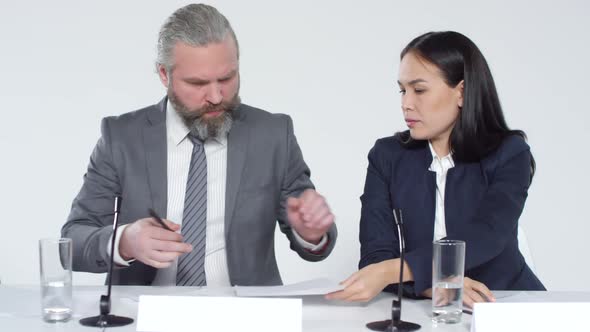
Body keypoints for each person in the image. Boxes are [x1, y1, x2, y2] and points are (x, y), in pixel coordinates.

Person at [62, 3, 337, 287]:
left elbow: (312, 237)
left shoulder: (273, 134)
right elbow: (73, 239)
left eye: (227, 78)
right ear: (164, 75)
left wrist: (310, 232)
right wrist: (124, 241)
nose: (217, 96)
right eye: (198, 83)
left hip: (245, 316)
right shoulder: (121, 137)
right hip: (145, 315)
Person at [326, 31, 544, 307]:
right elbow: (376, 256)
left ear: (462, 92)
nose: (406, 103)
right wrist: (436, 285)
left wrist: (394, 271)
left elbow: (487, 235)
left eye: (419, 90)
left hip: (504, 302)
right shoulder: (386, 156)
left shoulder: (510, 153)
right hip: (426, 308)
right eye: (402, 90)